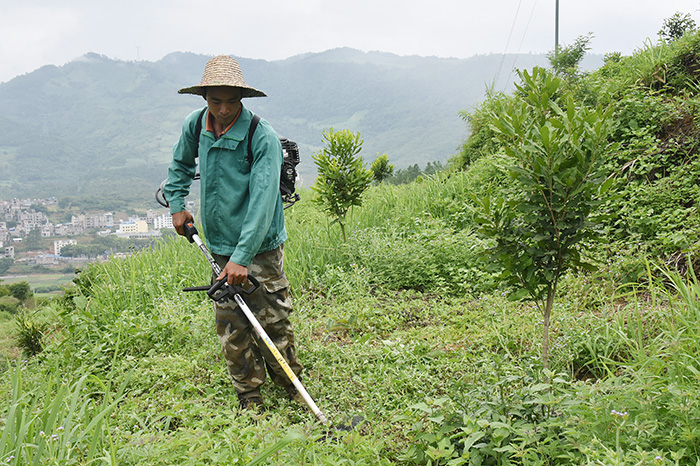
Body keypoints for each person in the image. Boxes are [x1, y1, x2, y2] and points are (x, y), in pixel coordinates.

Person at [163, 55, 303, 411]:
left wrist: (242, 258)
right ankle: (248, 392)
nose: (223, 109)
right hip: (220, 242)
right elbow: (179, 165)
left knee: (271, 316)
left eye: (231, 101)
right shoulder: (196, 125)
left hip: (261, 245)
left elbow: (262, 200)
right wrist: (178, 204)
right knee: (231, 320)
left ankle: (290, 384)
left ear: (242, 99)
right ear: (204, 97)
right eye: (215, 101)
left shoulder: (261, 136)